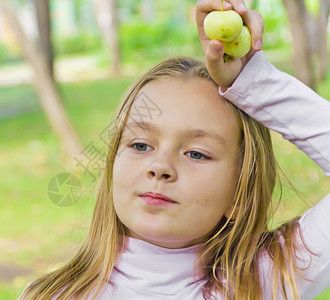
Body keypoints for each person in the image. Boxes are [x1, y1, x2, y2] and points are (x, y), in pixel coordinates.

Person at [19, 0, 330, 299]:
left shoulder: (265, 280)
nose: (160, 166)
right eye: (140, 145)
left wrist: (254, 81)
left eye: (196, 153)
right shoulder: (49, 296)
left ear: (239, 194)